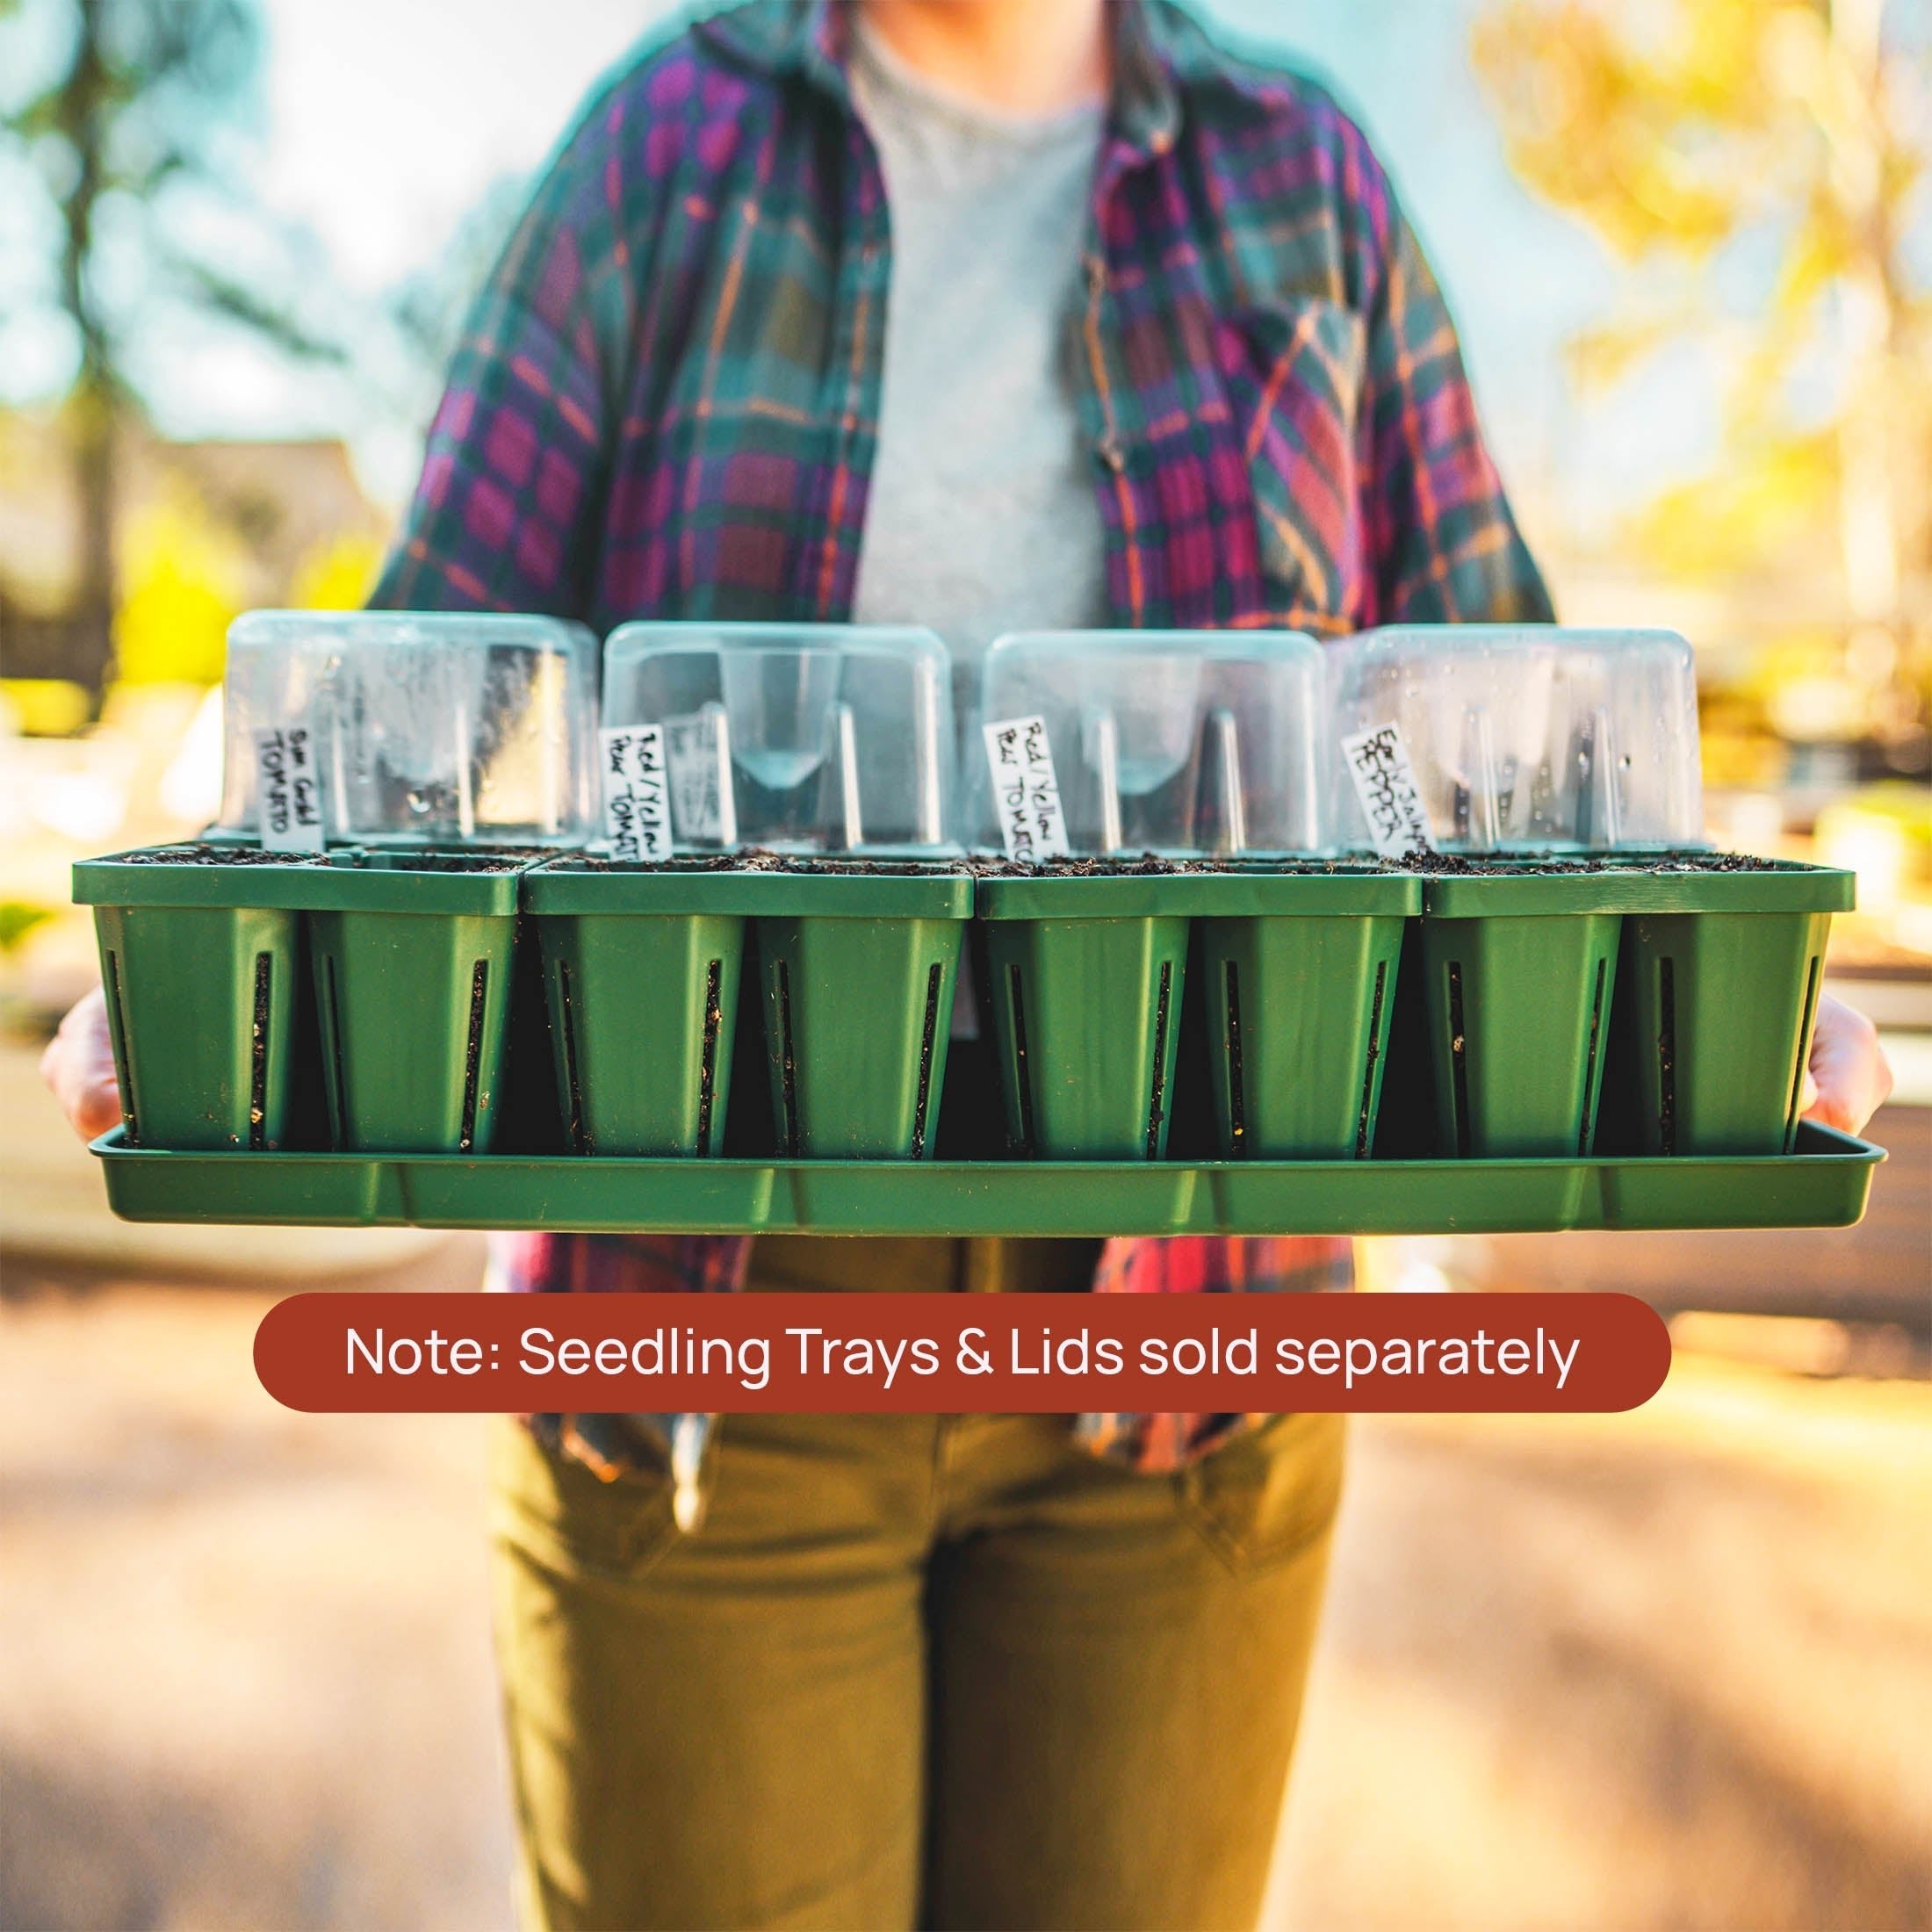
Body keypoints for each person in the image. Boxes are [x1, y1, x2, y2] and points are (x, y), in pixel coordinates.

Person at [41, 2, 1896, 1927]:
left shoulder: (1301, 173)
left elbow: (1509, 718)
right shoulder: (664, 145)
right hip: (700, 1308)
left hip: (1194, 1321)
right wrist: (221, 959)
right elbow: (420, 673)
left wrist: (1716, 995)